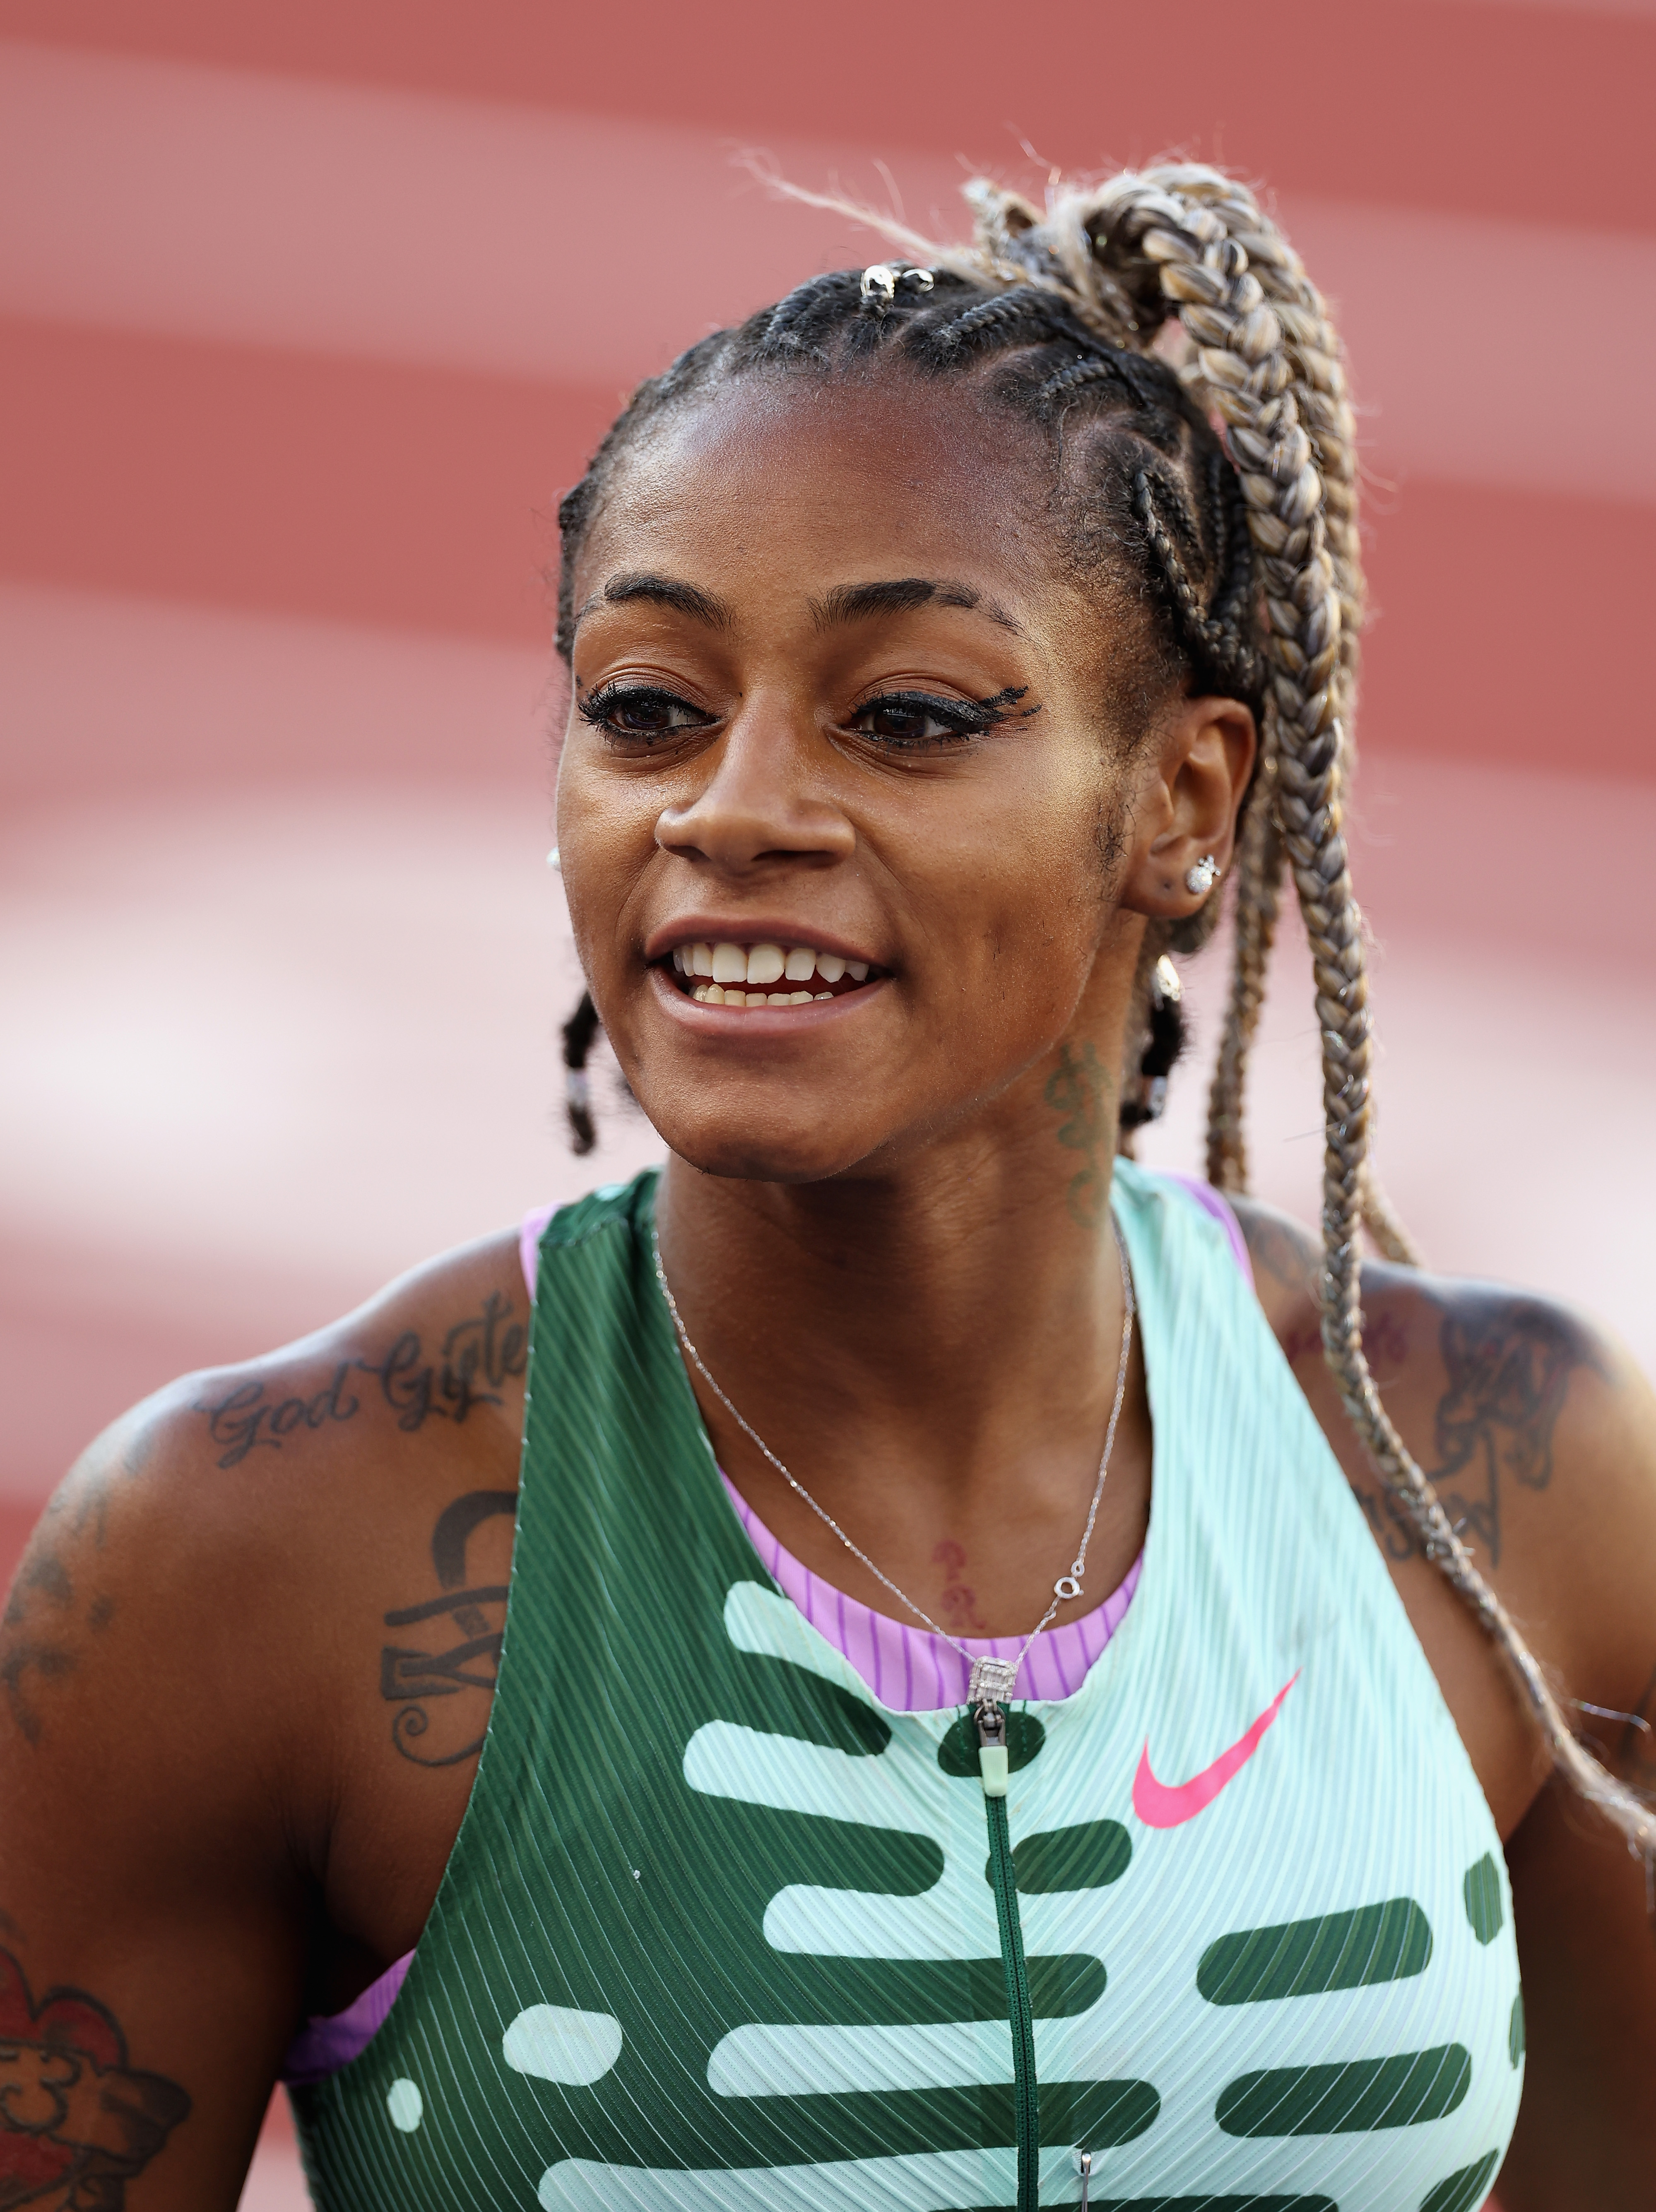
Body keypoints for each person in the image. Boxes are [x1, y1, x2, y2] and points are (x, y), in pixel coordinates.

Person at [2, 163, 1651, 2212]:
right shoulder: (259, 1546)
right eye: (645, 708)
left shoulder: (1501, 1482)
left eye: (906, 718)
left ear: (1182, 798)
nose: (735, 806)